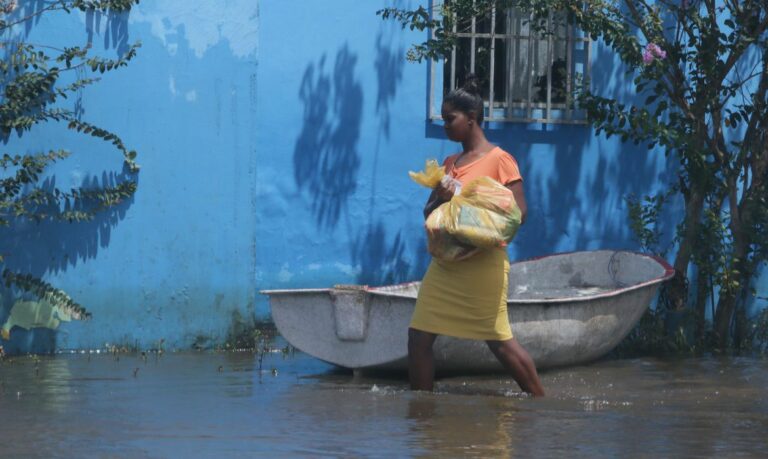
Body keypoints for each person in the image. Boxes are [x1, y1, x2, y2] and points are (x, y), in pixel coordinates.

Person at [409, 76, 545, 396]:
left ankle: (539, 401)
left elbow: (520, 212)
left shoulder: (500, 160)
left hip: (483, 264)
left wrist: (482, 229)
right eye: (442, 119)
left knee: (498, 341)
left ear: (471, 120)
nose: (445, 126)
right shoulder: (449, 164)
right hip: (446, 266)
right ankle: (421, 413)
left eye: (450, 119)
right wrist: (441, 197)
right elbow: (430, 215)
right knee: (418, 338)